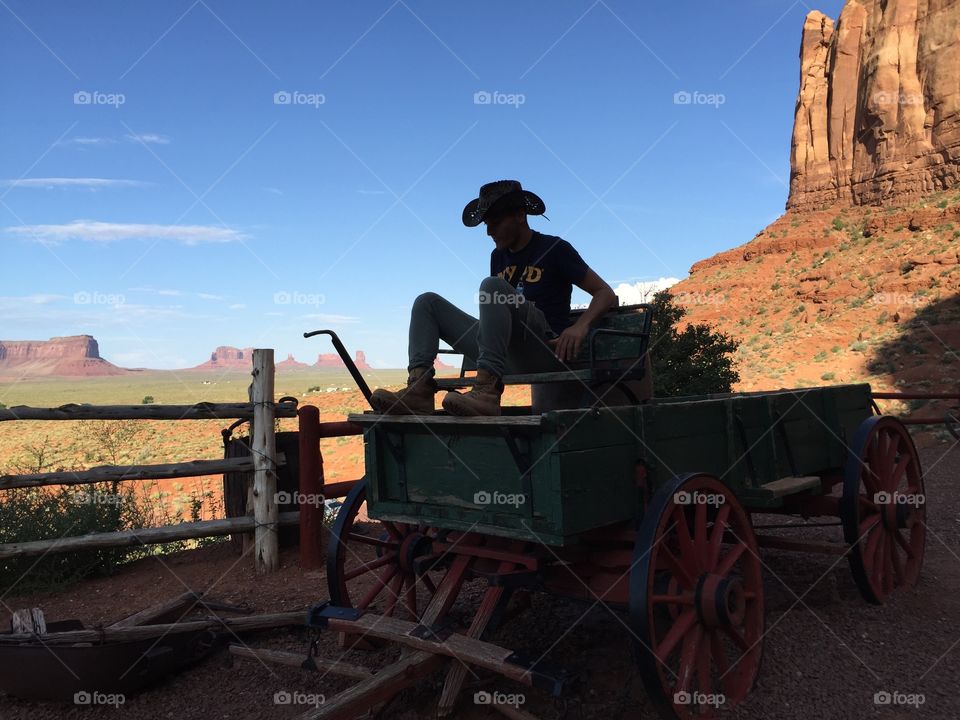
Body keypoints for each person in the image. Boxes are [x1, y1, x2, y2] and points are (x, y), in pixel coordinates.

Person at [369, 180, 618, 417]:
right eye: (487, 224)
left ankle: (487, 393)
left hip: (544, 351)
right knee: (427, 303)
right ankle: (419, 390)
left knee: (492, 286)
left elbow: (606, 293)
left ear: (520, 215)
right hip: (506, 355)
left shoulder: (556, 249)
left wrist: (579, 327)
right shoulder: (497, 257)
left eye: (496, 223)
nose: (489, 232)